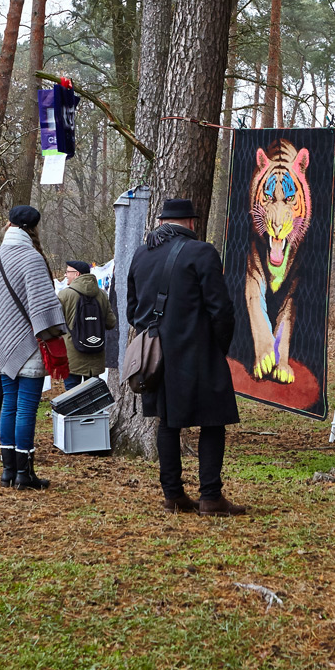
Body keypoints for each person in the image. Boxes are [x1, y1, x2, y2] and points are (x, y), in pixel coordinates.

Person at [127, 198, 244, 516]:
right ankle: (210, 497)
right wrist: (218, 348)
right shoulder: (201, 252)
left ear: (163, 222)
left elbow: (131, 309)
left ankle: (173, 496)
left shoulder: (141, 254)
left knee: (168, 423)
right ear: (191, 222)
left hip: (157, 355)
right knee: (213, 421)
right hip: (197, 352)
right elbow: (221, 310)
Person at [0, 205, 67, 490]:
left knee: (9, 406)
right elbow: (43, 306)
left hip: (2, 344)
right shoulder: (32, 258)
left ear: (9, 225)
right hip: (29, 343)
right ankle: (23, 474)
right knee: (26, 408)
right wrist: (57, 331)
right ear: (33, 228)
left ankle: (7, 472)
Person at [58, 260, 115, 390]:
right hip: (96, 355)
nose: (66, 275)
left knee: (72, 400)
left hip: (72, 358)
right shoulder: (102, 295)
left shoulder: (65, 295)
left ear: (77, 274)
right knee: (93, 400)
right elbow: (111, 323)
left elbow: (56, 326)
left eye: (68, 272)